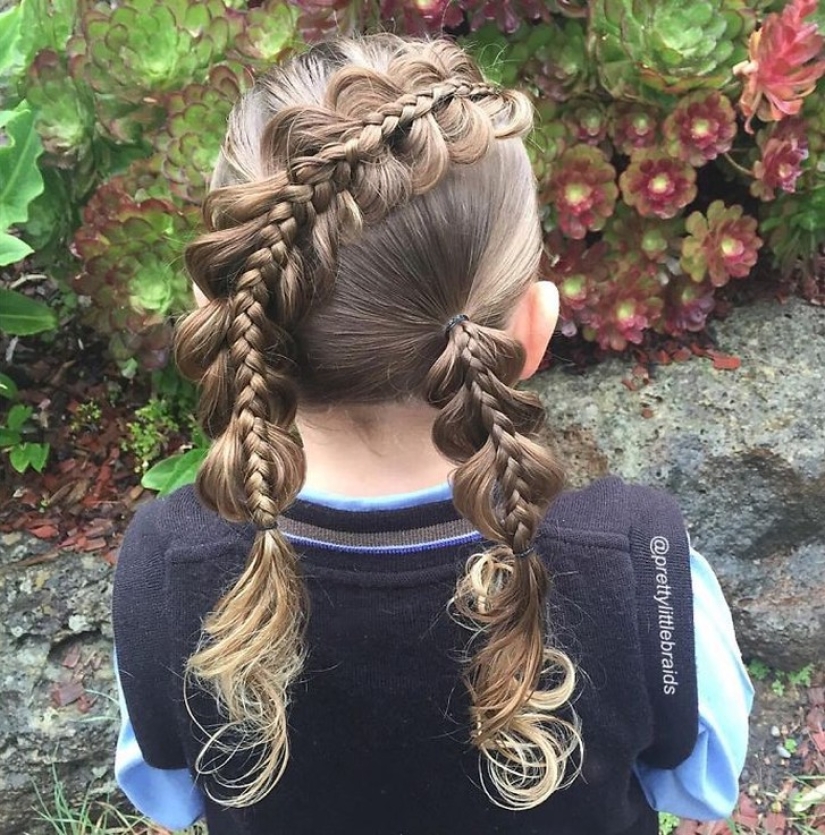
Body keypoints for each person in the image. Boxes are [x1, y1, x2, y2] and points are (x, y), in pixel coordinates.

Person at [111, 34, 753, 835]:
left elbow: (168, 795)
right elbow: (699, 782)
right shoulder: (640, 562)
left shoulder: (163, 568)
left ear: (233, 322)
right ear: (530, 329)